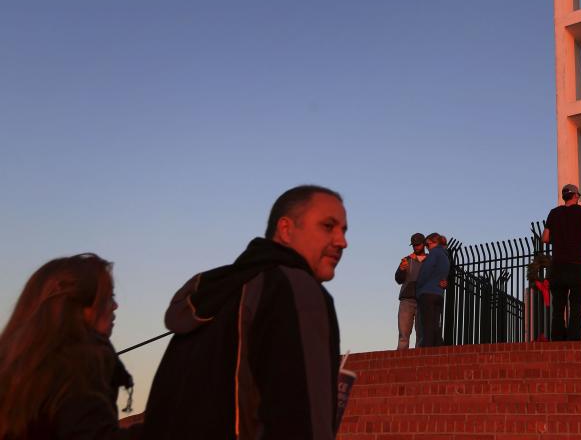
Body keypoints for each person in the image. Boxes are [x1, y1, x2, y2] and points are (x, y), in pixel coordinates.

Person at [143, 185, 348, 440]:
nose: (342, 241)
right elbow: (300, 417)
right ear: (286, 230)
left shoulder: (216, 293)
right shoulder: (297, 289)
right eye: (328, 226)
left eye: (344, 230)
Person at [0, 253, 138, 440]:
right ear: (76, 305)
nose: (115, 306)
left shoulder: (16, 367)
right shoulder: (76, 364)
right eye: (107, 297)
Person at [542, 183, 581, 342]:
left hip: (557, 267)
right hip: (576, 265)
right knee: (576, 307)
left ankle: (557, 340)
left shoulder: (554, 213)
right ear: (575, 196)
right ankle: (574, 340)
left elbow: (545, 238)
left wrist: (559, 241)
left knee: (558, 309)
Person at [415, 233, 450, 347]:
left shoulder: (434, 253)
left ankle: (427, 352)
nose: (426, 248)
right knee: (435, 324)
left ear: (430, 242)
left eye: (426, 245)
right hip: (439, 294)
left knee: (427, 326)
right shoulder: (445, 256)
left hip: (427, 293)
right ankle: (438, 348)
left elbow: (425, 272)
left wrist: (418, 288)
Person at [395, 233, 427, 349]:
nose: (416, 247)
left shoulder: (429, 260)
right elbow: (398, 279)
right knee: (403, 335)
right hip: (406, 300)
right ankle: (399, 362)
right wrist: (402, 270)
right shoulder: (406, 260)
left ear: (423, 244)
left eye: (418, 244)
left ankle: (418, 362)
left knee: (421, 334)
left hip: (422, 300)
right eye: (414, 245)